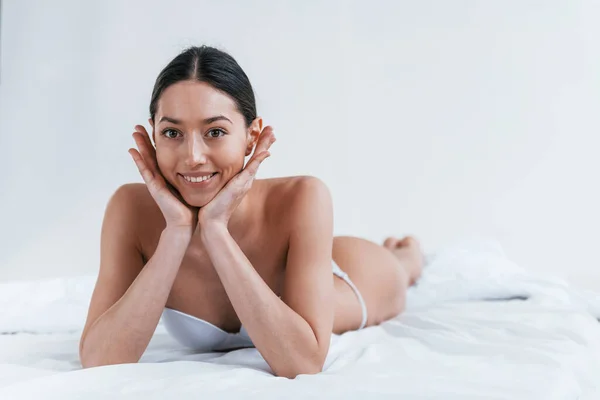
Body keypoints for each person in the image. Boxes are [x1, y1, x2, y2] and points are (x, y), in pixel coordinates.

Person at [78, 45, 424, 379]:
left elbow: (302, 363)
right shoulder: (131, 210)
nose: (193, 156)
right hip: (295, 267)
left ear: (250, 136)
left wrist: (215, 229)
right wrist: (177, 233)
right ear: (153, 135)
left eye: (215, 132)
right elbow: (100, 360)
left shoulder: (304, 197)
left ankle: (409, 255)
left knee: (401, 269)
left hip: (351, 273)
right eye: (172, 133)